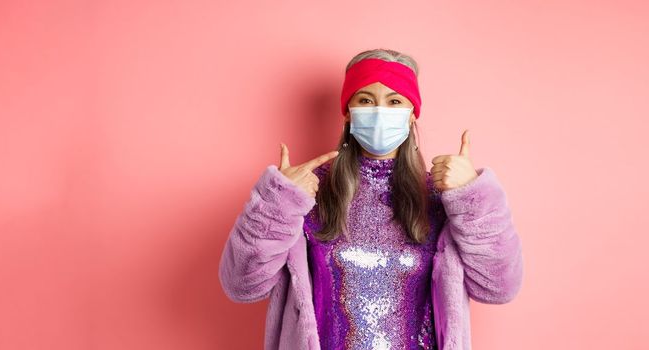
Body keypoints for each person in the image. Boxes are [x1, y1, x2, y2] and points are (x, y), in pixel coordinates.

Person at [218, 48, 524, 350]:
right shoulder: (308, 193)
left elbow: (499, 288)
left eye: (394, 101)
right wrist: (277, 203)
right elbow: (241, 286)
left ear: (411, 115)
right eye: (366, 100)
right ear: (349, 112)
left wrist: (472, 198)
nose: (380, 112)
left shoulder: (439, 197)